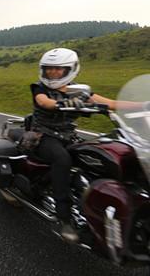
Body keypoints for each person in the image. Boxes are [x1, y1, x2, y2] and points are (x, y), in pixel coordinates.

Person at [30, 48, 146, 243]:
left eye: (59, 69)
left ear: (71, 69)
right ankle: (64, 217)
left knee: (98, 156)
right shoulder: (40, 87)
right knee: (62, 159)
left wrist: (142, 105)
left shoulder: (80, 90)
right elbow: (44, 102)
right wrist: (62, 104)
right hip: (43, 135)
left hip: (68, 136)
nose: (53, 73)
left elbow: (110, 103)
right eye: (49, 69)